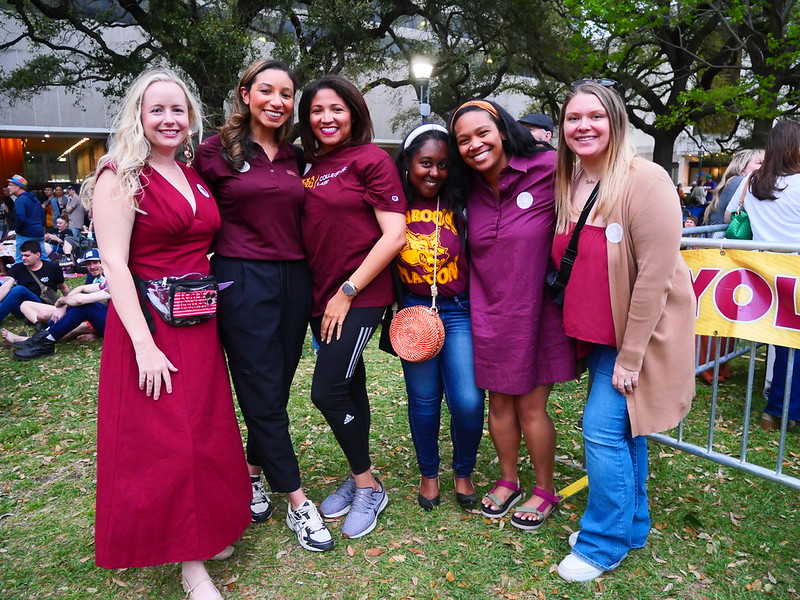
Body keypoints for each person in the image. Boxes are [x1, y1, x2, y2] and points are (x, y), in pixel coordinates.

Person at [81, 67, 250, 600]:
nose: (169, 119)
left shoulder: (190, 173)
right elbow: (114, 264)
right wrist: (144, 344)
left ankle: (208, 529)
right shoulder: (120, 176)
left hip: (198, 324)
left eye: (178, 109)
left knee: (206, 432)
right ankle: (190, 563)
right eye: (157, 109)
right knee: (170, 443)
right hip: (150, 327)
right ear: (139, 115)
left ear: (191, 116)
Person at [551, 81, 695, 581]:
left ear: (615, 121)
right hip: (597, 333)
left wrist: (631, 357)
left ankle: (603, 543)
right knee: (625, 429)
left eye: (595, 116)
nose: (583, 126)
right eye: (573, 118)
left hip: (637, 336)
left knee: (601, 430)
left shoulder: (646, 180)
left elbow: (655, 277)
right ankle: (631, 525)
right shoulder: (571, 178)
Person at [194, 59, 334, 553]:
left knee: (274, 386)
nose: (277, 101)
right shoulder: (214, 152)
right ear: (245, 94)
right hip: (241, 278)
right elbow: (191, 212)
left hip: (296, 278)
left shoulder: (299, 155)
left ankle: (251, 473)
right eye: (266, 91)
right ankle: (297, 500)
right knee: (259, 387)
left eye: (286, 94)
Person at [448, 99, 576, 531]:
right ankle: (508, 480)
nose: (474, 144)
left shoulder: (548, 168)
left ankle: (544, 489)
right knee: (499, 403)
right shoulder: (465, 188)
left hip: (537, 312)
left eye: (482, 133)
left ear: (502, 130)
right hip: (489, 313)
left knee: (531, 406)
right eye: (463, 140)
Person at [297, 74, 406, 539]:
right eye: (317, 110)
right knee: (349, 384)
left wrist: (347, 291)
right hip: (319, 297)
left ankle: (367, 486)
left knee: (327, 391)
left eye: (337, 109)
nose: (327, 118)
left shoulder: (373, 160)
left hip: (357, 296)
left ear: (354, 113)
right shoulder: (309, 165)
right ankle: (361, 473)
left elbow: (394, 235)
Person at [393, 124, 485, 511]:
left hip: (459, 309)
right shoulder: (393, 203)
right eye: (425, 163)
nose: (434, 172)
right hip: (415, 312)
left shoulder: (461, 201)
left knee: (468, 400)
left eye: (443, 164)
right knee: (424, 400)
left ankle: (463, 471)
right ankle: (428, 474)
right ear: (408, 162)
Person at [723, 120, 800, 431]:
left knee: (784, 343)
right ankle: (782, 409)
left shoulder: (753, 181)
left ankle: (776, 410)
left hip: (765, 273)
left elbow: (729, 215)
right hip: (795, 270)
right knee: (792, 345)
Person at [0, 240, 69, 325]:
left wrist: (69, 305)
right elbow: (6, 286)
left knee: (19, 289)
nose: (23, 258)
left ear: (37, 255)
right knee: (5, 287)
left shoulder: (52, 267)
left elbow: (63, 288)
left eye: (27, 255)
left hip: (41, 306)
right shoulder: (17, 268)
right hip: (21, 308)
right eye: (22, 255)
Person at [8, 175, 47, 261]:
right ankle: (51, 270)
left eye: (10, 185)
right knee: (42, 257)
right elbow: (43, 214)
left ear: (18, 187)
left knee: (20, 259)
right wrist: (41, 227)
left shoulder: (20, 200)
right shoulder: (34, 199)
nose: (8, 187)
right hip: (38, 231)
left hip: (26, 233)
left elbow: (20, 218)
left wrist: (18, 231)